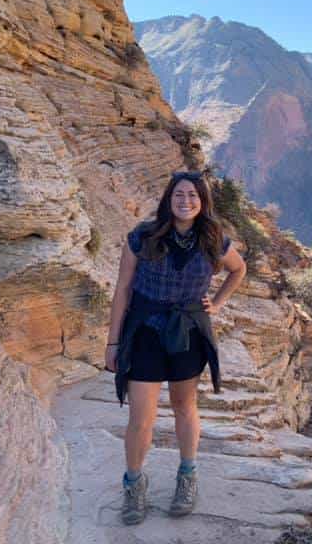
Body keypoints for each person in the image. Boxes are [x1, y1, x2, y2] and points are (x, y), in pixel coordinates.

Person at [104, 171, 247, 525]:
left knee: (185, 406)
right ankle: (134, 483)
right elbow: (122, 290)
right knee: (141, 416)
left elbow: (238, 270)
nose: (186, 201)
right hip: (146, 332)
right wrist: (113, 342)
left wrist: (218, 302)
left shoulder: (214, 239)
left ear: (203, 201)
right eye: (180, 195)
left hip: (188, 332)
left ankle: (187, 477)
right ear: (169, 199)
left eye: (193, 195)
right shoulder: (142, 237)